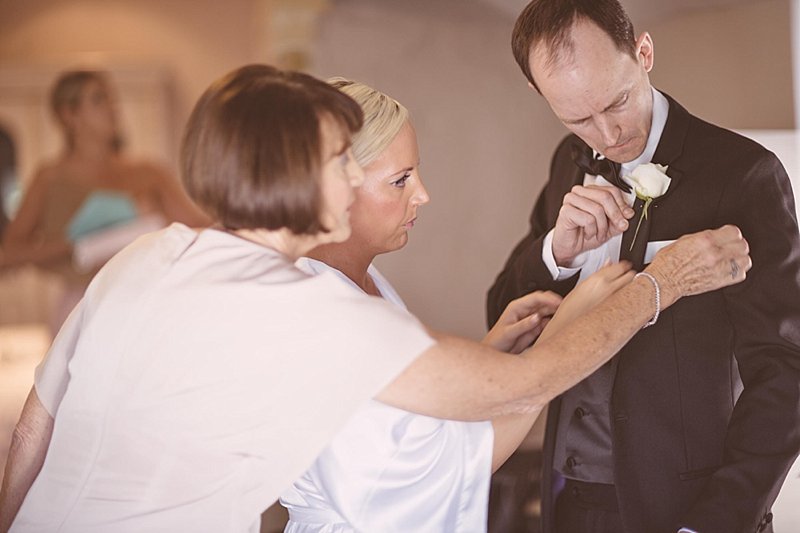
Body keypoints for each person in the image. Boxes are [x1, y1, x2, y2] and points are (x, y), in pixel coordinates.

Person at [0, 64, 747, 533]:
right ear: (297, 174)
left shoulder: (147, 252)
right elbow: (526, 386)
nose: (357, 182)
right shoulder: (309, 307)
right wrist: (663, 281)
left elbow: (37, 423)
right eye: (341, 164)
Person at [487, 1, 800, 532]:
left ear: (644, 53)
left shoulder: (743, 174)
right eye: (579, 118)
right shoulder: (568, 160)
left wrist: (715, 523)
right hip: (565, 503)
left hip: (685, 511)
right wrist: (555, 253)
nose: (607, 135)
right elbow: (501, 316)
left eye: (618, 102)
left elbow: (787, 370)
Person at [281, 78, 563, 531]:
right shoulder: (318, 308)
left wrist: (494, 351)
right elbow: (437, 470)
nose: (423, 194)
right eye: (400, 180)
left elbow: (409, 411)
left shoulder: (367, 282)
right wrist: (565, 350)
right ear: (335, 190)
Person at [0, 69, 210, 333]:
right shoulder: (50, 179)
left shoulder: (149, 174)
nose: (113, 108)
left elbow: (199, 228)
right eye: (99, 99)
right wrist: (78, 244)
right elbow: (12, 251)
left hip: (141, 302)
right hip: (80, 306)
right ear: (69, 114)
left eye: (113, 99)